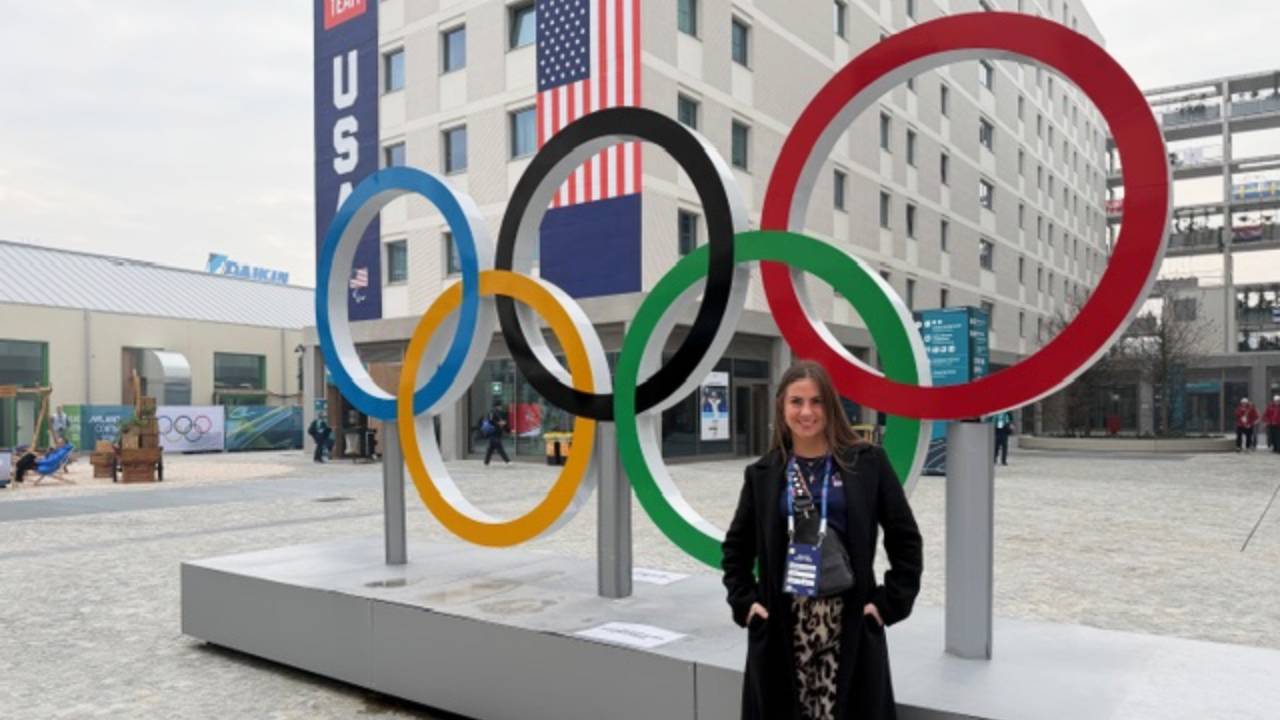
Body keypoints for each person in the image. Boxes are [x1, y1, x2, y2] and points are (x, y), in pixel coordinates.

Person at [722, 361, 923, 720]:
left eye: (817, 402)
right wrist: (746, 604)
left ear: (830, 407)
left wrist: (888, 604)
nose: (807, 412)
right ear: (782, 408)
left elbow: (905, 539)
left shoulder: (867, 463)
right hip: (783, 627)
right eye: (796, 402)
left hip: (851, 624)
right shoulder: (764, 474)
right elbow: (736, 549)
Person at [481, 402, 511, 466]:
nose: (500, 407)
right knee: (499, 448)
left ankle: (486, 462)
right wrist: (498, 423)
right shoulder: (492, 412)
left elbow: (503, 424)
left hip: (497, 433)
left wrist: (508, 430)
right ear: (496, 406)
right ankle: (507, 461)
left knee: (490, 448)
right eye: (499, 406)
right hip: (493, 433)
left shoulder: (500, 413)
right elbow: (491, 421)